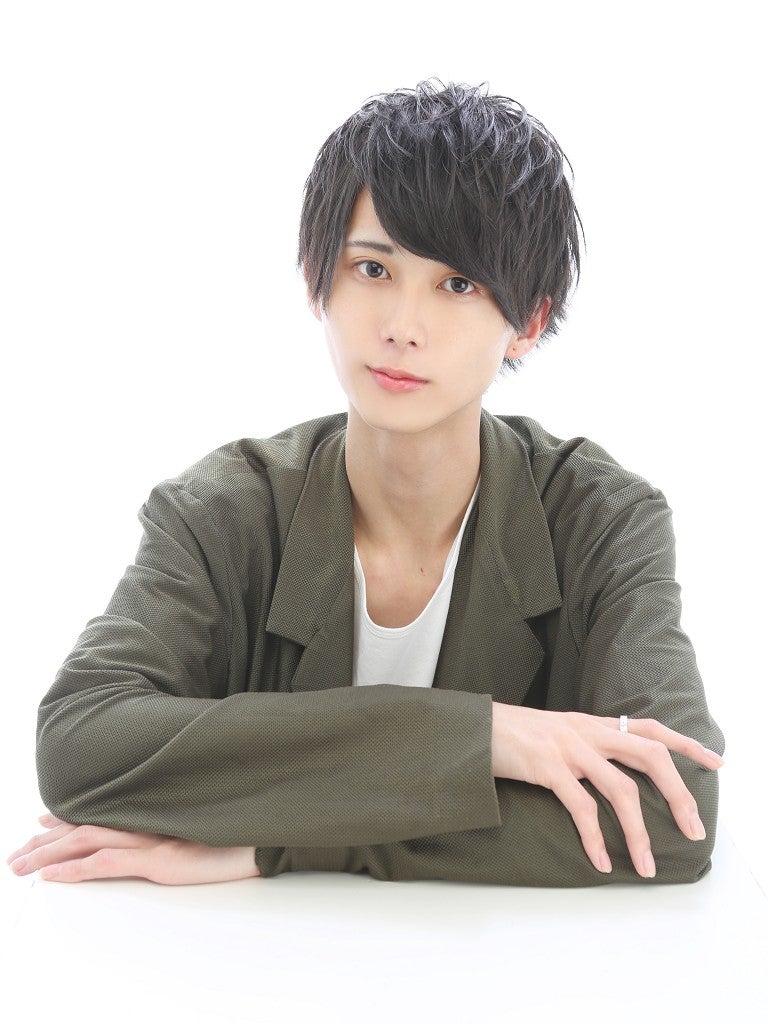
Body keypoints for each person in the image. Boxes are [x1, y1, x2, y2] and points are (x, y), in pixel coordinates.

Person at [8, 78, 724, 888]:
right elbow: (81, 743)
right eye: (373, 268)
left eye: (458, 284)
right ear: (317, 278)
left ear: (527, 322)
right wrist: (484, 737)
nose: (401, 328)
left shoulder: (601, 518)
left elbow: (675, 810)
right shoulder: (223, 511)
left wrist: (284, 846)